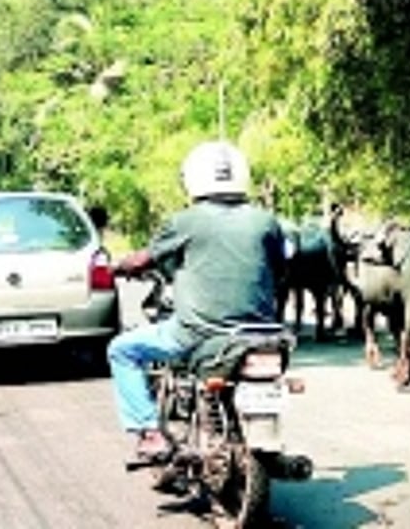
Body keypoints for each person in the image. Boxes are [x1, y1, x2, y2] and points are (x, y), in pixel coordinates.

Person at [108, 140, 287, 461]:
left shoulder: (184, 222)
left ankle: (149, 433)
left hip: (199, 332)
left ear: (193, 178)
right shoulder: (266, 221)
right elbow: (279, 266)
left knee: (122, 350)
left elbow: (143, 260)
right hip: (265, 334)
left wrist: (118, 267)